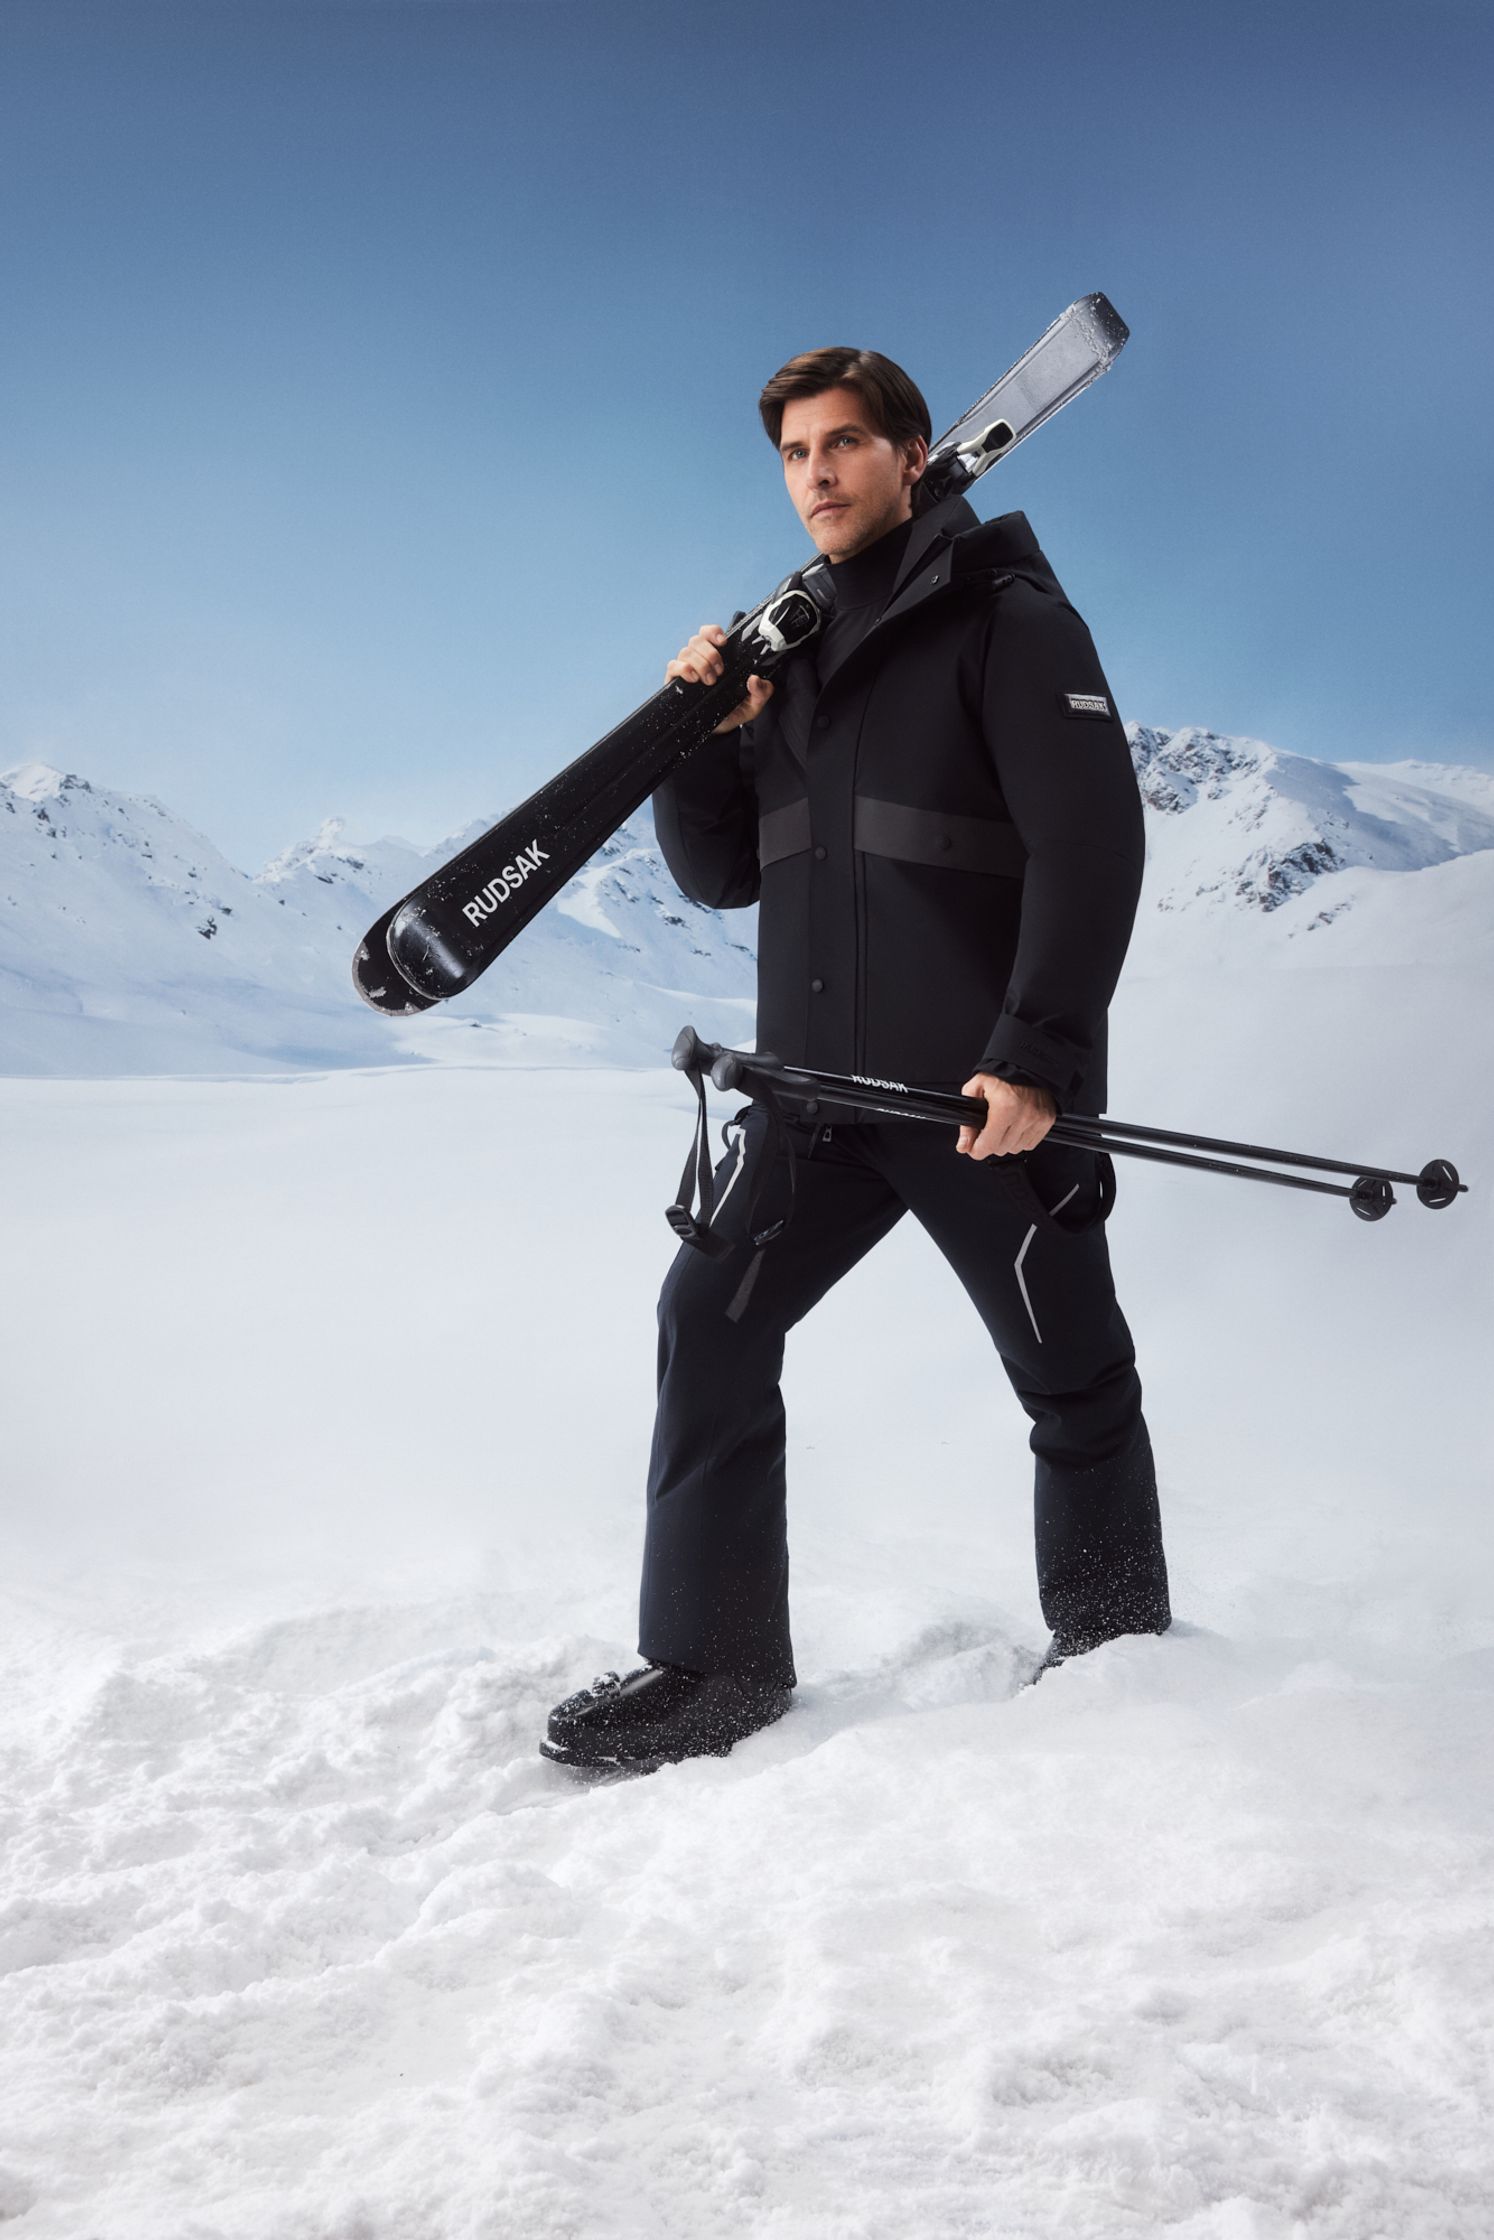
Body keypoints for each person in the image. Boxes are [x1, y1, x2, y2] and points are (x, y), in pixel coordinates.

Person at [541, 347, 1171, 1772]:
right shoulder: (795, 657)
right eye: (792, 456)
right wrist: (704, 742)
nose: (814, 475)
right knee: (709, 1322)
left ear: (910, 454)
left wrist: (1036, 1058)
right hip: (815, 1099)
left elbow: (1092, 850)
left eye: (841, 446)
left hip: (978, 1105)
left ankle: (1117, 1655)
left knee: (1069, 1377)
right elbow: (722, 877)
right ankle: (712, 1668)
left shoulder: (1008, 622)